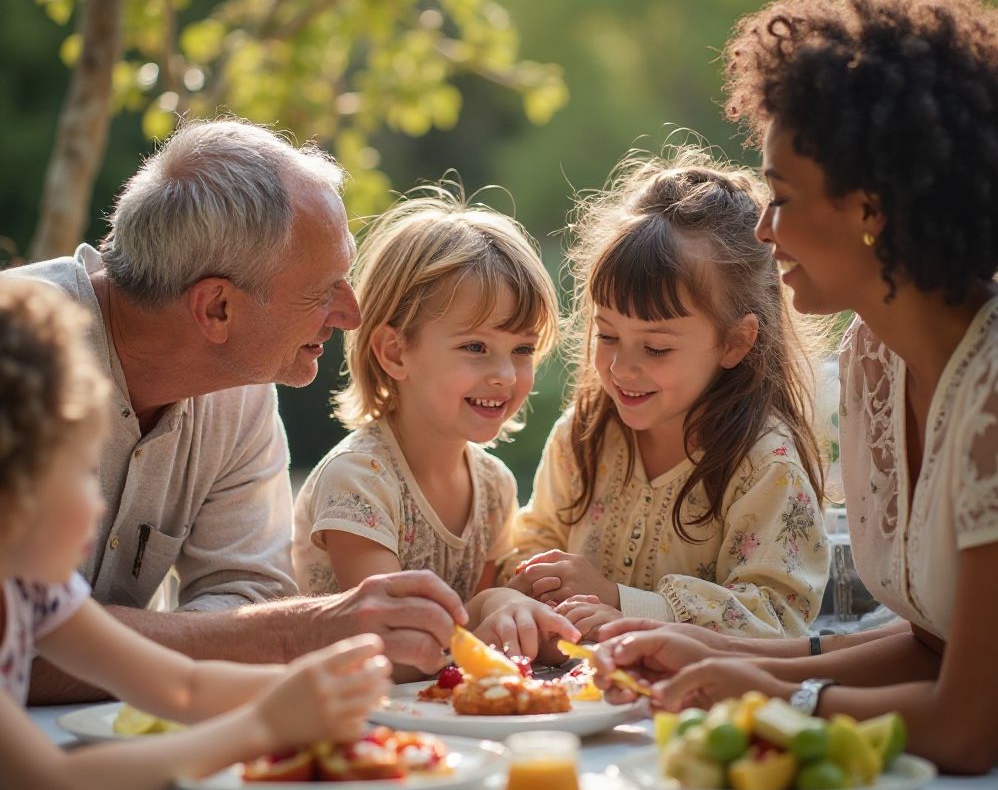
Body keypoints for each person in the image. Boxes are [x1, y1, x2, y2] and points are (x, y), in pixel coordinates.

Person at [592, 0, 998, 790]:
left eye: (782, 198)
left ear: (872, 208)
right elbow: (936, 644)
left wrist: (776, 700)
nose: (763, 229)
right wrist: (715, 656)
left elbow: (970, 722)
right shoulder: (873, 361)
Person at [7, 118, 468, 702]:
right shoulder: (17, 360)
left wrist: (256, 636)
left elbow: (249, 593)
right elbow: (18, 636)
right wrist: (289, 635)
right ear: (217, 308)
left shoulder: (242, 382)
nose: (351, 314)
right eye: (323, 289)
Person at [0, 278, 391, 790]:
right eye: (79, 476)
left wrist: (318, 692)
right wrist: (263, 727)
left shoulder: (34, 591)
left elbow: (182, 686)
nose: (98, 503)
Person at [494, 144, 830, 640]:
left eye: (655, 348)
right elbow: (534, 537)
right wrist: (532, 588)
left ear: (735, 342)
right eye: (606, 334)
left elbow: (777, 616)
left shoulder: (765, 465)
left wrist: (623, 604)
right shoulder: (585, 434)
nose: (620, 367)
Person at [293, 187, 578, 660]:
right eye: (475, 347)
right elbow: (392, 648)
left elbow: (468, 616)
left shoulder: (494, 488)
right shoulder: (358, 481)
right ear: (395, 352)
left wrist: (511, 605)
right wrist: (494, 618)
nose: (505, 375)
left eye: (522, 349)